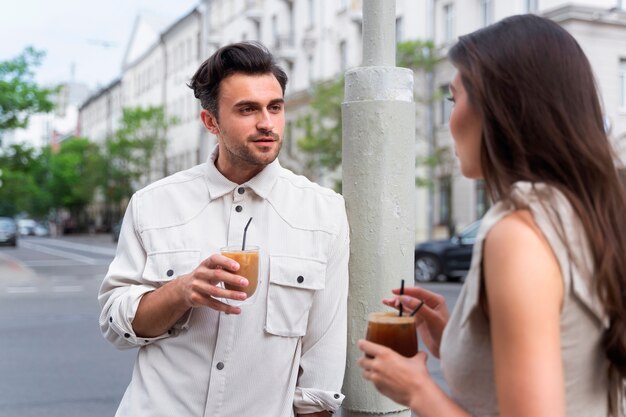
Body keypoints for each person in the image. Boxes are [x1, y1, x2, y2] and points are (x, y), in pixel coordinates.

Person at [357, 14, 626, 417]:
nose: (449, 120)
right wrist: (461, 339)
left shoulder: (519, 231)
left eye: (454, 98)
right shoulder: (588, 210)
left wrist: (417, 391)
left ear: (501, 108)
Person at [99, 42, 349, 417]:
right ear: (210, 122)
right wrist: (181, 291)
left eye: (275, 107)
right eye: (248, 109)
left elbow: (322, 359)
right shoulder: (153, 204)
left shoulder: (323, 211)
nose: (266, 122)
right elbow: (116, 326)